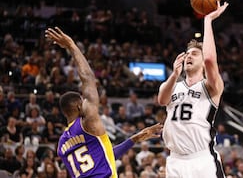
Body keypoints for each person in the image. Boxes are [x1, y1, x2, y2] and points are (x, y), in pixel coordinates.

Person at [45, 27, 162, 178]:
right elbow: (88, 79)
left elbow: (104, 157)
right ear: (79, 106)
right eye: (83, 101)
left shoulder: (61, 145)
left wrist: (134, 139)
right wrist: (72, 46)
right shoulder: (87, 123)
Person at [157, 1, 229, 178]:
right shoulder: (173, 84)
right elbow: (161, 100)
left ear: (203, 63)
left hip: (202, 161)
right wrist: (174, 75)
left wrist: (208, 20)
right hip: (175, 160)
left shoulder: (211, 86)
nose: (189, 56)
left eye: (195, 54)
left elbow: (211, 60)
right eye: (187, 54)